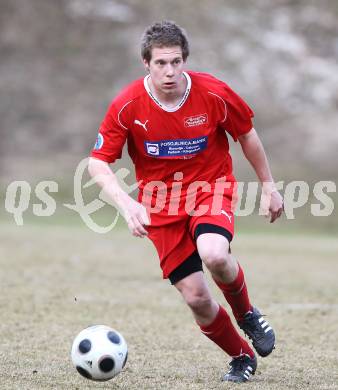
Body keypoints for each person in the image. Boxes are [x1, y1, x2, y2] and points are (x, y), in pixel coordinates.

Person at [88, 20, 283, 383]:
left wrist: (269, 186)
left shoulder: (213, 92)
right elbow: (98, 162)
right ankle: (242, 357)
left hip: (210, 188)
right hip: (160, 204)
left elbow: (247, 135)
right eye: (161, 63)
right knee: (196, 298)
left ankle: (247, 314)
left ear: (185, 60)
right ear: (146, 63)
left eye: (176, 62)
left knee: (215, 254)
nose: (170, 71)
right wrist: (127, 204)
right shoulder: (127, 104)